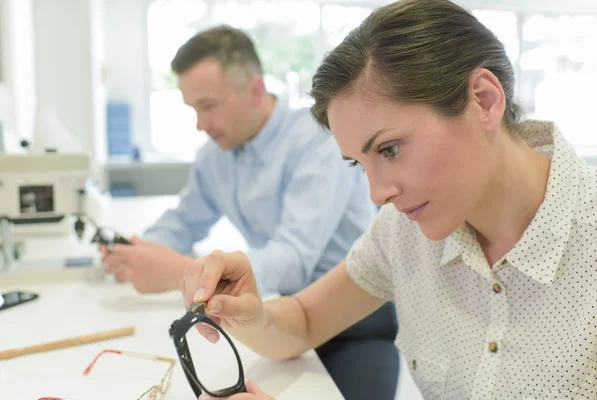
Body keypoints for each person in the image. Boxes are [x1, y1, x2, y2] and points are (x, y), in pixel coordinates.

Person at [180, 1, 597, 399]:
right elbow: (306, 321)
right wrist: (250, 314)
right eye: (358, 165)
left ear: (483, 101)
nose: (378, 194)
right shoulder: (405, 230)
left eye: (390, 149)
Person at [101, 26, 400, 399]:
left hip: (352, 320)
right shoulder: (216, 154)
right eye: (193, 109)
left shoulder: (318, 140)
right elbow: (183, 219)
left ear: (255, 89)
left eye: (208, 106)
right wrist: (138, 253)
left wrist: (181, 272)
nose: (200, 124)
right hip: (282, 316)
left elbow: (294, 258)